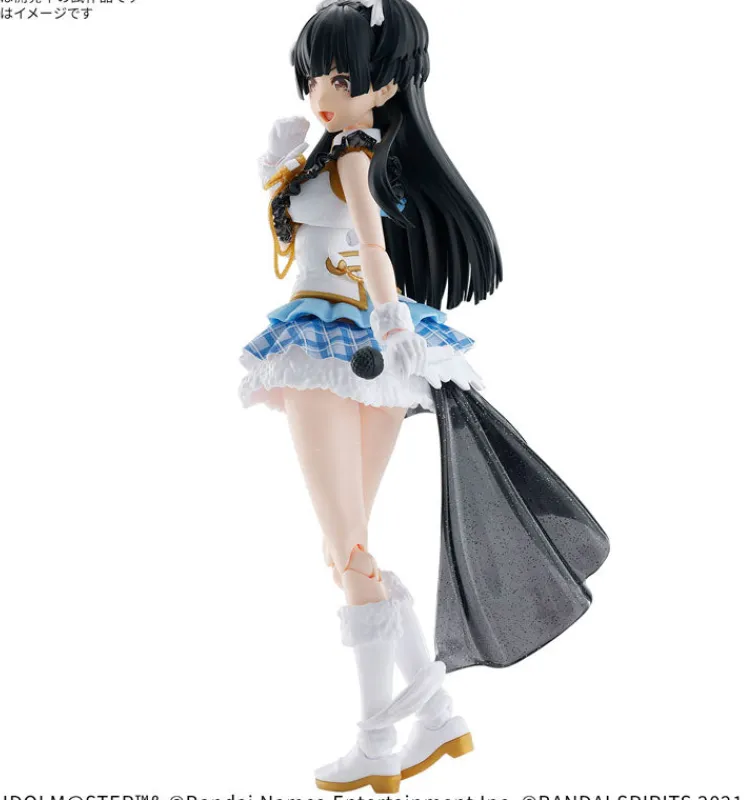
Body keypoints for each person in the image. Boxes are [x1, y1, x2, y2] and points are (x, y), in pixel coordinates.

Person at [239, 0, 610, 792]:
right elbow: (323, 231)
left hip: (333, 345)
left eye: (343, 79)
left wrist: (387, 316)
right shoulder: (340, 152)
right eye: (316, 78)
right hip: (362, 349)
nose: (323, 94)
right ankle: (434, 713)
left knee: (347, 550)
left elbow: (371, 246)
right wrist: (275, 167)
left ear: (385, 84)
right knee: (348, 548)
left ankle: (379, 737)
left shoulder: (353, 155)